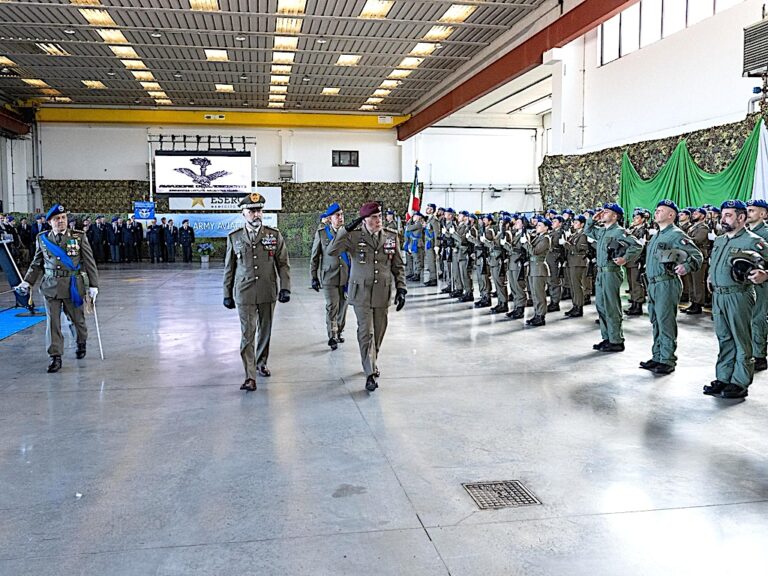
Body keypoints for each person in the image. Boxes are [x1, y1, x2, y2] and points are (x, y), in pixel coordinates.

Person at [326, 201, 406, 392]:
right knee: (366, 332)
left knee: (378, 331)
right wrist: (344, 230)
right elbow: (331, 250)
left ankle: (372, 359)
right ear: (364, 220)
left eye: (379, 217)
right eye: (373, 217)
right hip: (360, 293)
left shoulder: (391, 236)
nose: (378, 220)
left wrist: (401, 288)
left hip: (382, 293)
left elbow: (398, 265)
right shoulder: (353, 237)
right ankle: (369, 372)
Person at [15, 204, 99, 372]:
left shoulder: (78, 237)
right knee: (53, 323)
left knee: (77, 320)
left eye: (63, 218)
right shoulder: (43, 238)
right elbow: (36, 263)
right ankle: (55, 356)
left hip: (73, 286)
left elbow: (89, 263)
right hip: (50, 286)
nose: (61, 221)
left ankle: (80, 342)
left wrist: (94, 285)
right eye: (57, 219)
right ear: (50, 222)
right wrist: (27, 281)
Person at [223, 193, 291, 391]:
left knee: (265, 330)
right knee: (248, 333)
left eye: (259, 210)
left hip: (267, 290)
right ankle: (249, 375)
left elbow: (283, 264)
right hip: (243, 291)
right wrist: (226, 293)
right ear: (243, 213)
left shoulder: (274, 235)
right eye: (252, 211)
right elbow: (230, 268)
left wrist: (285, 287)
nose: (256, 214)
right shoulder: (234, 237)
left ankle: (261, 363)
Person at [703, 200, 768, 399]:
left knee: (741, 339)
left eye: (728, 215)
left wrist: (765, 274)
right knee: (724, 337)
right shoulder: (721, 240)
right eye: (722, 215)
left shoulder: (752, 240)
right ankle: (724, 377)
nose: (723, 219)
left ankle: (740, 382)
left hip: (739, 295)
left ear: (741, 218)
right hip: (719, 296)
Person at [639, 200, 703, 375]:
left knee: (665, 321)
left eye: (661, 211)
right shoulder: (657, 235)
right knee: (656, 321)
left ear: (671, 215)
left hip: (666, 283)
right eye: (656, 210)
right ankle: (658, 355)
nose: (656, 212)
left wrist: (686, 267)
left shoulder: (676, 235)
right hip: (653, 284)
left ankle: (667, 359)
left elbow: (696, 256)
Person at [584, 203, 642, 352]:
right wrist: (593, 219)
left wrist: (625, 258)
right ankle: (607, 338)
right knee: (601, 306)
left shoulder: (619, 231)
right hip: (601, 272)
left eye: (607, 212)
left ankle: (616, 340)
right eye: (603, 211)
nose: (603, 213)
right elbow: (587, 230)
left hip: (611, 271)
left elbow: (636, 245)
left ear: (615, 216)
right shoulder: (603, 231)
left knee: (611, 306)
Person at [310, 203, 350, 350]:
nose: (340, 218)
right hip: (329, 277)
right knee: (332, 306)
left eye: (342, 215)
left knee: (343, 307)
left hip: (346, 277)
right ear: (330, 218)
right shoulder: (321, 234)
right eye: (337, 215)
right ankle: (332, 335)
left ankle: (339, 331)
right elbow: (315, 257)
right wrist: (313, 276)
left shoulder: (348, 233)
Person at [746, 199, 768, 372]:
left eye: (752, 210)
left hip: (762, 283)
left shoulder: (765, 233)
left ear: (763, 214)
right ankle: (749, 352)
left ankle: (759, 355)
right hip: (745, 283)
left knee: (758, 317)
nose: (748, 213)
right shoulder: (745, 233)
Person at [524, 216, 552, 327]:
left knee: (539, 294)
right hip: (533, 268)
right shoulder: (538, 236)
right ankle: (537, 314)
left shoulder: (545, 238)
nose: (537, 226)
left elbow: (534, 251)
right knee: (534, 294)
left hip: (539, 268)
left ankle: (541, 316)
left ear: (546, 227)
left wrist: (525, 243)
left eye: (540, 225)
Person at [683, 207, 710, 315]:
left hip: (699, 256)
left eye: (697, 213)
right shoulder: (692, 227)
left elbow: (698, 240)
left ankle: (698, 304)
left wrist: (685, 240)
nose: (694, 214)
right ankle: (692, 301)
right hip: (690, 257)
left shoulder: (704, 227)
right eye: (694, 213)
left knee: (698, 281)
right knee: (691, 281)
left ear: (703, 216)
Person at [563, 214, 590, 318]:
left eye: (576, 222)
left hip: (578, 262)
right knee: (573, 286)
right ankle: (575, 305)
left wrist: (566, 244)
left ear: (582, 224)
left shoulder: (583, 235)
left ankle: (579, 307)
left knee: (577, 286)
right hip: (572, 262)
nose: (574, 224)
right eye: (573, 222)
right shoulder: (575, 234)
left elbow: (578, 249)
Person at [423, 203, 441, 286]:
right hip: (428, 243)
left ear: (433, 210)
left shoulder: (434, 220)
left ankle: (434, 279)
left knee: (432, 261)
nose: (427, 209)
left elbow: (437, 233)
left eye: (429, 208)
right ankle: (431, 278)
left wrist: (437, 245)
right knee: (429, 262)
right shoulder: (429, 219)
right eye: (427, 208)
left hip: (432, 243)